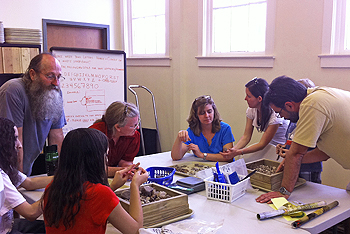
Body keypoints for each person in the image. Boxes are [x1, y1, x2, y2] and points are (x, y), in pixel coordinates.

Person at [256, 75, 350, 203]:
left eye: (279, 112)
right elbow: (324, 152)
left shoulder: (312, 105)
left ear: (289, 105)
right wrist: (290, 160)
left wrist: (283, 191)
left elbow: (296, 153)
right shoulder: (319, 96)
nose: (281, 117)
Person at [42, 128, 148, 233]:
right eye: (106, 155)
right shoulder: (100, 194)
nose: (106, 160)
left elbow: (88, 205)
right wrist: (135, 185)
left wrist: (112, 186)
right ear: (95, 160)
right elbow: (136, 230)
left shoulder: (52, 188)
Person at [0, 53, 66, 176]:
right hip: (6, 175)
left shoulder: (55, 93)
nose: (56, 83)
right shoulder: (13, 90)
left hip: (26, 173)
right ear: (33, 74)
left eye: (59, 77)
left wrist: (59, 178)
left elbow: (57, 136)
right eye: (50, 76)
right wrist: (18, 182)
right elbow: (14, 142)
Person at [0, 117, 53, 234]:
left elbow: (29, 183)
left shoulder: (5, 167)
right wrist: (55, 190)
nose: (19, 145)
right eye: (14, 139)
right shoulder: (1, 176)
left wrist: (64, 176)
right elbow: (31, 213)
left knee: (51, 226)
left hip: (10, 224)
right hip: (6, 231)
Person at [220, 78, 289, 160]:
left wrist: (240, 152)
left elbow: (262, 144)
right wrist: (233, 150)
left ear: (259, 98)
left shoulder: (274, 115)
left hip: (282, 150)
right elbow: (246, 136)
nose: (245, 99)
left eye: (249, 96)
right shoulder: (251, 110)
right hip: (269, 147)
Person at [275, 78, 322, 184]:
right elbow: (292, 138)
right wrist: (284, 146)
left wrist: (294, 156)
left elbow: (321, 149)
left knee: (307, 192)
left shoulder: (312, 118)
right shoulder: (294, 117)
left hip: (309, 168)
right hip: (292, 165)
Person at [171, 95, 235, 162]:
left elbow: (228, 157)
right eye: (202, 113)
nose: (207, 116)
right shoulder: (192, 131)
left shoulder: (225, 129)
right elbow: (176, 157)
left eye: (209, 111)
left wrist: (202, 155)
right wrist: (179, 139)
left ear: (214, 112)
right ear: (196, 116)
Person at [89, 101, 140, 177]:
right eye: (133, 126)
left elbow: (126, 161)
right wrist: (125, 170)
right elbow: (95, 170)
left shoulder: (133, 136)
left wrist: (130, 170)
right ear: (118, 127)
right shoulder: (94, 136)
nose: (137, 128)